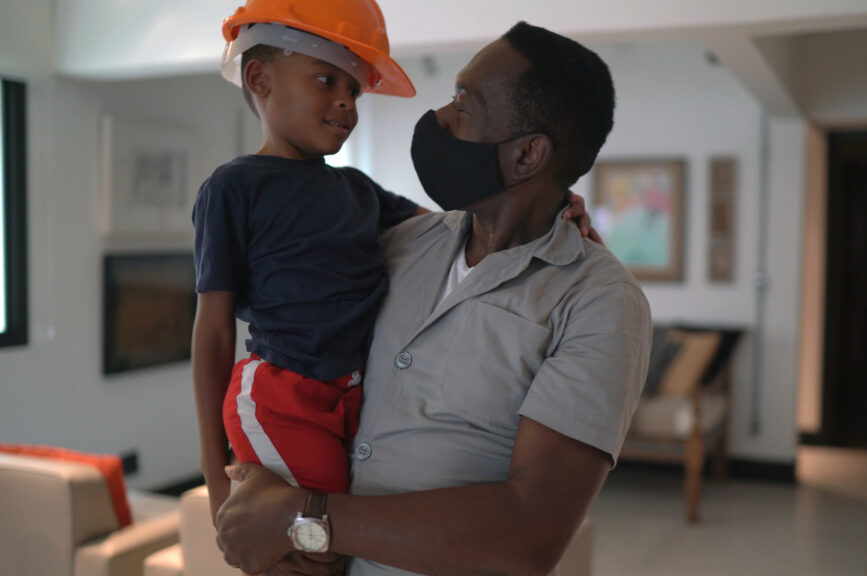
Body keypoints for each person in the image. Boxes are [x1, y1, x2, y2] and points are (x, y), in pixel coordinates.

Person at [215, 21, 653, 576]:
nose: (439, 119)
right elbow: (281, 345)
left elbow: (529, 533)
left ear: (526, 156)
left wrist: (305, 517)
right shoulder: (397, 243)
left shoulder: (599, 303)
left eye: (463, 106)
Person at [191, 0, 427, 530]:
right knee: (320, 549)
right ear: (259, 78)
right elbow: (211, 333)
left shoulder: (357, 189)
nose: (347, 103)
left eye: (355, 91)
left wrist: (547, 212)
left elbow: (455, 228)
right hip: (282, 401)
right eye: (327, 80)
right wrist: (214, 476)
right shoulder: (233, 188)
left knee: (348, 543)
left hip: (355, 396)